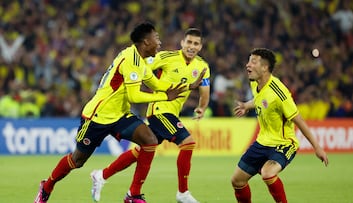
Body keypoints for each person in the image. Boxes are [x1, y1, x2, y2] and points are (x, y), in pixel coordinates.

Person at [34, 22, 202, 203]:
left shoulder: (142, 61)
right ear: (146, 42)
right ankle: (47, 186)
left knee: (150, 140)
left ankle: (133, 194)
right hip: (97, 117)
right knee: (77, 160)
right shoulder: (131, 59)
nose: (160, 43)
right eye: (157, 38)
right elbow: (134, 96)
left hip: (120, 115)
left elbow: (157, 84)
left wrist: (187, 86)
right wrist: (164, 97)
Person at [90, 28, 210, 203]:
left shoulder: (203, 67)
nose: (192, 46)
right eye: (189, 42)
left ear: (201, 46)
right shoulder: (165, 57)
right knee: (188, 143)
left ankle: (102, 175)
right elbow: (142, 68)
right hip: (159, 110)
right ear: (182, 43)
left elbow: (204, 91)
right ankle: (183, 193)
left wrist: (201, 107)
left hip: (172, 113)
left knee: (141, 151)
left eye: (196, 43)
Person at [231, 48, 329, 203]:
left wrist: (317, 148)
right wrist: (246, 106)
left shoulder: (279, 92)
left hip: (283, 143)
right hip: (262, 141)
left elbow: (300, 121)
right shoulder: (255, 83)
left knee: (267, 173)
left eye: (253, 62)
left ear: (265, 67)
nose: (247, 65)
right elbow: (260, 100)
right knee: (237, 180)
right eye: (248, 61)